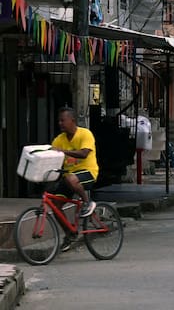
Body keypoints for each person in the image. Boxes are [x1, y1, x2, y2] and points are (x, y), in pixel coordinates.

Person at [51, 107, 99, 251]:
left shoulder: (85, 134)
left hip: (88, 173)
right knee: (55, 205)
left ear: (72, 121)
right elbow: (53, 156)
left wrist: (63, 152)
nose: (60, 123)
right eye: (59, 121)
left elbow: (84, 153)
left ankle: (87, 202)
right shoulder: (59, 139)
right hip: (69, 177)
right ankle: (70, 233)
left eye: (63, 120)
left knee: (72, 179)